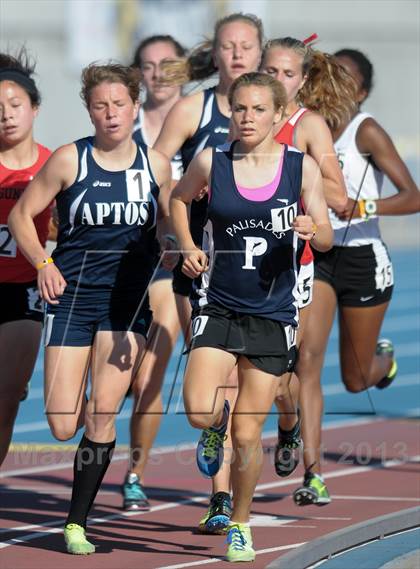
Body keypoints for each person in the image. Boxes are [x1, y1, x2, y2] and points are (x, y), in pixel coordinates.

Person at [8, 62, 172, 554]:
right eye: (100, 105)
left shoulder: (156, 166)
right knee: (63, 422)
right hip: (73, 299)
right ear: (89, 110)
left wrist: (182, 244)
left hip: (126, 305)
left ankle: (76, 523)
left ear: (135, 106)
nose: (111, 113)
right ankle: (99, 393)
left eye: (119, 103)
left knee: (102, 415)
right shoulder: (67, 160)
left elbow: (172, 223)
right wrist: (42, 261)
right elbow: (20, 215)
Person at [170, 72, 333, 562]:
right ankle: (213, 426)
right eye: (240, 109)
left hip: (272, 313)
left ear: (279, 116)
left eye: (259, 109)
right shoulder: (211, 161)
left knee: (248, 437)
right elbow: (178, 200)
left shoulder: (300, 170)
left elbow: (325, 234)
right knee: (200, 408)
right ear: (230, 113)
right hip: (218, 304)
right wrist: (189, 245)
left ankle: (241, 522)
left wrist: (311, 228)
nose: (247, 118)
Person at [291, 48, 419, 506]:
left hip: (364, 258)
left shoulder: (366, 130)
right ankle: (313, 473)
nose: (334, 86)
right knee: (306, 357)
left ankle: (384, 362)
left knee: (355, 378)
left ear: (361, 91)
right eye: (329, 75)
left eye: (346, 79)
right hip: (321, 255)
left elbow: (412, 196)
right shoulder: (309, 128)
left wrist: (365, 206)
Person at [155, 12, 263, 533]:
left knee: (258, 387)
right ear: (214, 54)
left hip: (265, 271)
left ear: (260, 53)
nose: (238, 54)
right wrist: (172, 231)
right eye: (228, 46)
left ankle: (256, 443)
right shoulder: (193, 108)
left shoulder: (271, 112)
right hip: (201, 263)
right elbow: (158, 166)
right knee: (215, 377)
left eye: (246, 46)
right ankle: (220, 498)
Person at [260, 37, 354, 478]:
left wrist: (301, 178)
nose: (278, 80)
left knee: (281, 376)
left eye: (287, 73)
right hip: (237, 262)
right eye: (271, 71)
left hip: (288, 264)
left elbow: (337, 196)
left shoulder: (307, 124)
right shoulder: (242, 114)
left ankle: (288, 423)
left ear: (302, 80)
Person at [121, 34, 187, 512]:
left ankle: (134, 474)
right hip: (123, 264)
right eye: (147, 65)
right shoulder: (124, 122)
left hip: (172, 265)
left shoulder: (203, 120)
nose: (158, 72)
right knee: (116, 378)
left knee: (149, 378)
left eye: (168, 63)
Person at [0, 48, 52, 467]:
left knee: (6, 399)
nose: (6, 115)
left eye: (15, 105)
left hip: (22, 293)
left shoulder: (56, 166)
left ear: (34, 108)